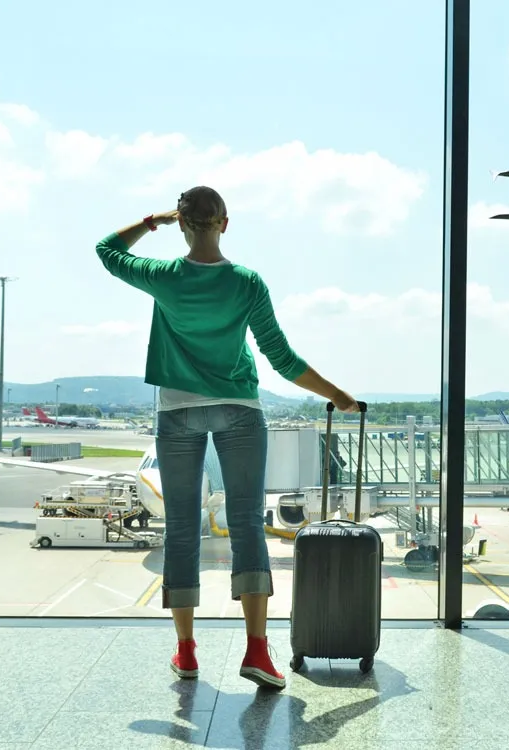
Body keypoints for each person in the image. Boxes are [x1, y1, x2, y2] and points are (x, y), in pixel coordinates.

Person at [96, 186, 358, 690]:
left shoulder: (163, 276)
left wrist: (153, 221)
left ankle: (187, 652)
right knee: (245, 524)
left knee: (181, 529)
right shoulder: (246, 283)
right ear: (225, 223)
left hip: (177, 413)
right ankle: (257, 651)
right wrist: (338, 394)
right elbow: (281, 358)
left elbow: (107, 250)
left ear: (182, 222)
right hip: (239, 410)